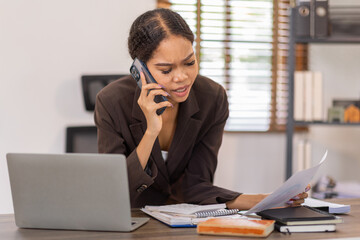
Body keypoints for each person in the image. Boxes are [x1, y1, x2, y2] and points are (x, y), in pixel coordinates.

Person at [94, 8, 308, 209]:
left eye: (189, 62)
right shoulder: (112, 102)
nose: (182, 77)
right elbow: (114, 192)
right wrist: (151, 132)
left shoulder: (211, 99)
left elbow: (196, 185)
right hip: (130, 220)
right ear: (140, 70)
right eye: (166, 70)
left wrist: (263, 200)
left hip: (184, 220)